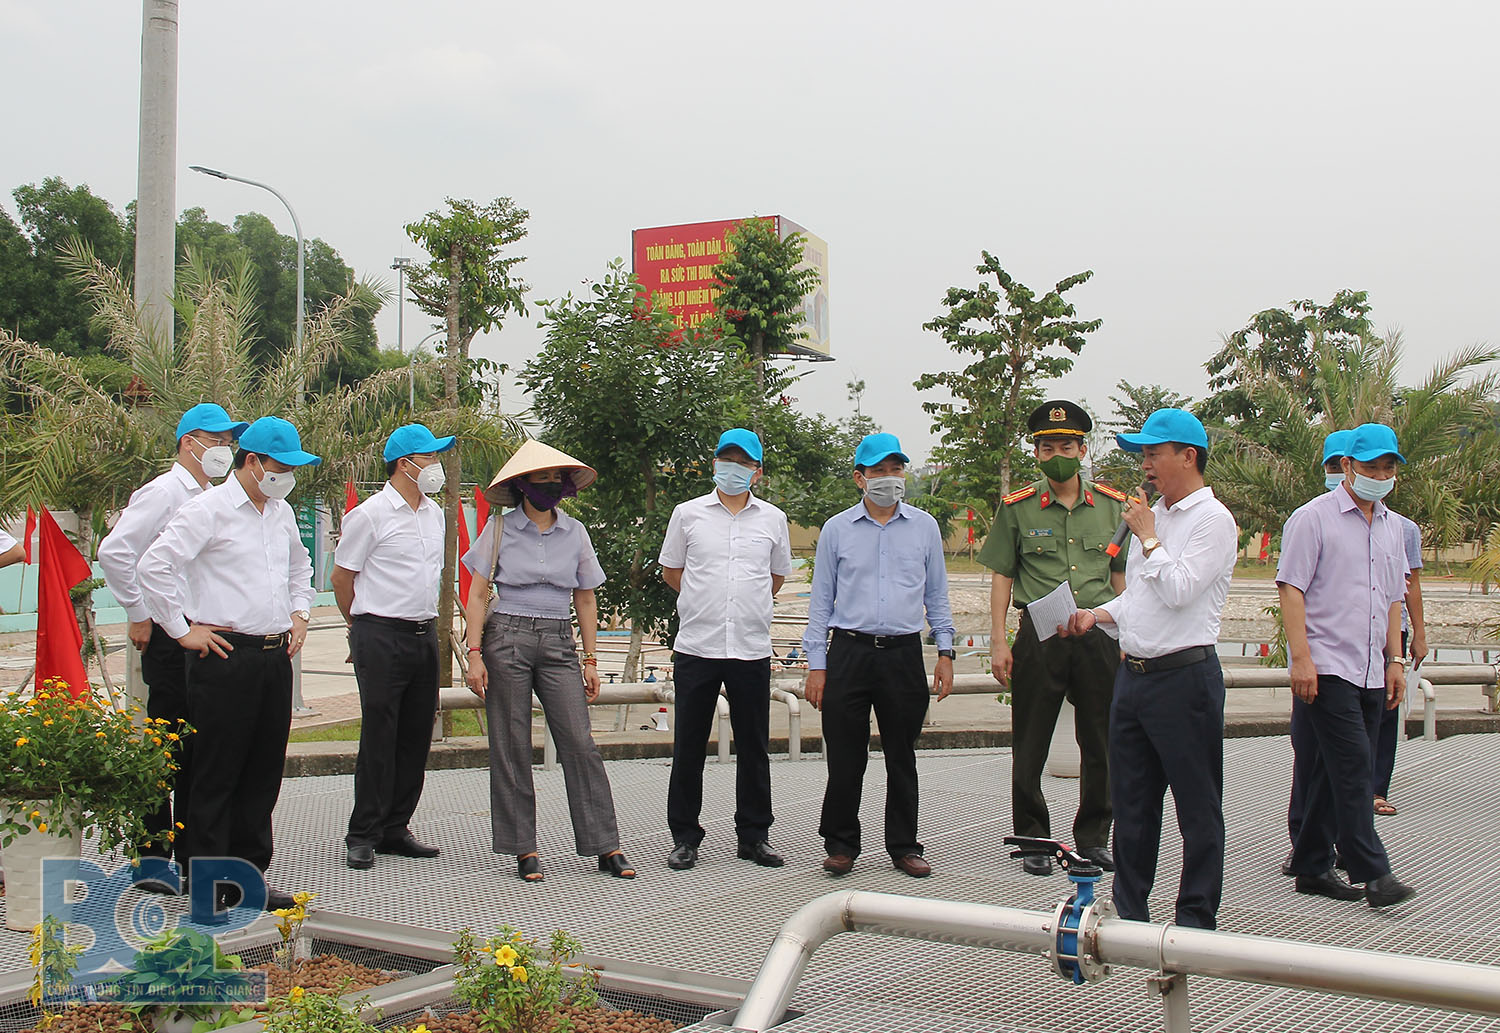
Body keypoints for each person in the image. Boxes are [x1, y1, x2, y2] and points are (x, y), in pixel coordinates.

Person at [137, 416, 320, 918]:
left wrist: (300, 612)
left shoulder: (279, 511)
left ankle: (249, 875)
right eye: (280, 467)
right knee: (216, 773)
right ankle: (207, 882)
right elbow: (154, 567)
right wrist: (180, 629)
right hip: (223, 655)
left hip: (273, 656)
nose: (286, 477)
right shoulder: (209, 510)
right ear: (253, 461)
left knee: (262, 771)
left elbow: (299, 565)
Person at [1061, 408, 1237, 929]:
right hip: (1133, 678)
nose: (1146, 465)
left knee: (1196, 806)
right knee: (1133, 804)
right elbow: (1140, 598)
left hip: (1185, 680)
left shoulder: (1213, 520)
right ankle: (1130, 913)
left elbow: (1181, 590)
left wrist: (1150, 537)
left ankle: (1196, 918)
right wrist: (1096, 616)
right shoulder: (1153, 515)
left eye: (1154, 454)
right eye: (1142, 455)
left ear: (1189, 456)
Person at [461, 440, 634, 883]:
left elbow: (586, 597)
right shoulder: (499, 529)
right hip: (508, 635)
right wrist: (474, 653)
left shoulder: (575, 532)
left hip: (559, 639)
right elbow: (478, 594)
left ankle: (605, 844)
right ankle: (524, 848)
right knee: (511, 742)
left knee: (579, 741)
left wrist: (591, 659)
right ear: (522, 485)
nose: (550, 486)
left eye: (556, 479)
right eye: (541, 479)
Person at [97, 403, 248, 891]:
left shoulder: (213, 494)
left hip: (199, 633)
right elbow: (116, 551)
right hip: (169, 633)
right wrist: (140, 613)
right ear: (190, 443)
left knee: (196, 747)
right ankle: (152, 856)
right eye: (218, 440)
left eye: (229, 442)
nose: (225, 450)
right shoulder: (166, 492)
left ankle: (191, 853)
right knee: (165, 746)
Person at [979, 400, 1126, 876]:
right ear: (1036, 452)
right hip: (1039, 636)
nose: (1057, 453)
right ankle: (1033, 839)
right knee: (1031, 739)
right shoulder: (1017, 508)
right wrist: (999, 642)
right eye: (1047, 446)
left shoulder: (1113, 505)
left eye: (1066, 445)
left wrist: (1129, 637)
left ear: (1083, 449)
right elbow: (1003, 574)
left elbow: (1120, 577)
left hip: (1098, 634)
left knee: (1101, 741)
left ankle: (1094, 836)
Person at [802, 432, 955, 878]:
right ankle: (841, 844)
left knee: (901, 754)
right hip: (849, 651)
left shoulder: (925, 527)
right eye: (879, 472)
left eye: (896, 470)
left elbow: (937, 596)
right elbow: (821, 601)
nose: (889, 479)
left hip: (904, 654)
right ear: (859, 478)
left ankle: (904, 845)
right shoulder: (836, 530)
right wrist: (817, 665)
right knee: (846, 757)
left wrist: (945, 652)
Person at [1277, 422, 1416, 908]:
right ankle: (1372, 870)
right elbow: (1291, 587)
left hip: (1371, 668)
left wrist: (1394, 659)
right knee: (1356, 764)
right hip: (1327, 663)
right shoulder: (1313, 519)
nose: (1380, 474)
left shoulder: (1394, 526)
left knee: (1325, 772)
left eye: (1387, 466)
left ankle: (1312, 865)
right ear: (1348, 467)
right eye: (1371, 465)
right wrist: (1302, 659)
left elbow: (1393, 597)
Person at [659, 429, 793, 871]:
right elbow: (672, 571)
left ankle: (754, 836)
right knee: (689, 745)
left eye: (743, 461)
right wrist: (707, 600)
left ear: (757, 470)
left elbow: (775, 578)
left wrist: (743, 606)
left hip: (751, 647)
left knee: (754, 745)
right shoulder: (688, 514)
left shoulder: (773, 519)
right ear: (714, 463)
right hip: (698, 645)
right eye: (726, 459)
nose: (733, 468)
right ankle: (684, 837)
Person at [332, 424, 454, 870]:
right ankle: (363, 831)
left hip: (424, 632)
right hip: (380, 632)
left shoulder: (434, 513)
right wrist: (359, 627)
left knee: (415, 735)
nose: (437, 467)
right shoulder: (370, 514)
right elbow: (342, 578)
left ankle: (395, 827)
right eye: (431, 458)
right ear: (405, 464)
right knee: (380, 735)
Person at [1375, 510, 1426, 815]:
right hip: (1349, 631)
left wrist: (1420, 632)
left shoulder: (1404, 528)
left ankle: (1377, 788)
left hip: (1394, 628)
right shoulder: (1317, 518)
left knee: (1387, 707)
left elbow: (1412, 584)